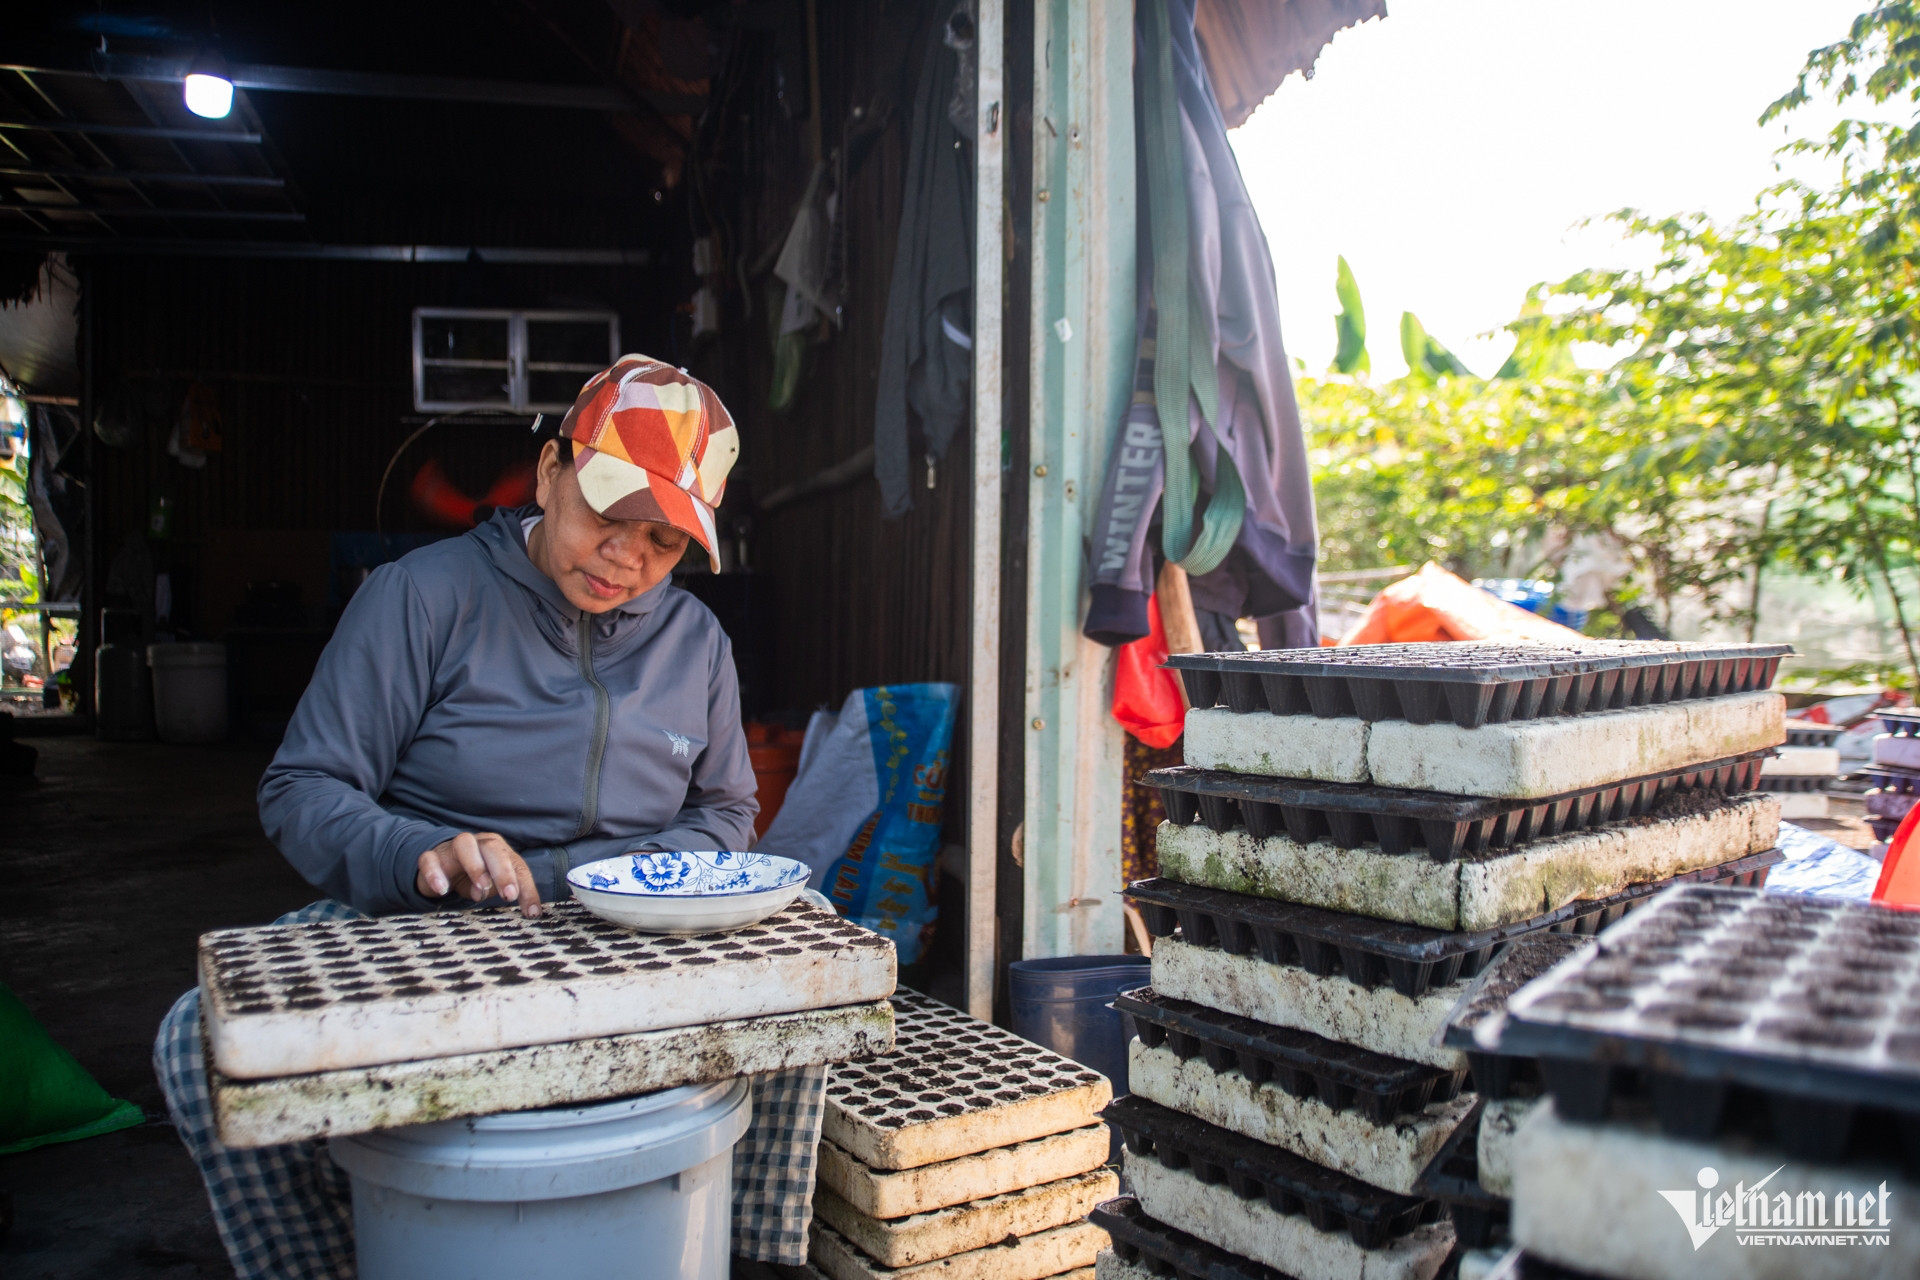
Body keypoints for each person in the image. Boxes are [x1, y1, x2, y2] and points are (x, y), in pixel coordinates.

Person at [153, 356, 823, 1279]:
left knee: (817, 954)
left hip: (630, 925)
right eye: (608, 516)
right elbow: (302, 786)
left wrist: (621, 881)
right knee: (197, 1040)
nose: (628, 559)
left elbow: (727, 809)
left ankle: (743, 1251)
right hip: (426, 920)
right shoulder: (420, 597)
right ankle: (331, 1263)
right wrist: (418, 851)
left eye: (664, 543)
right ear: (550, 471)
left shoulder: (695, 640)